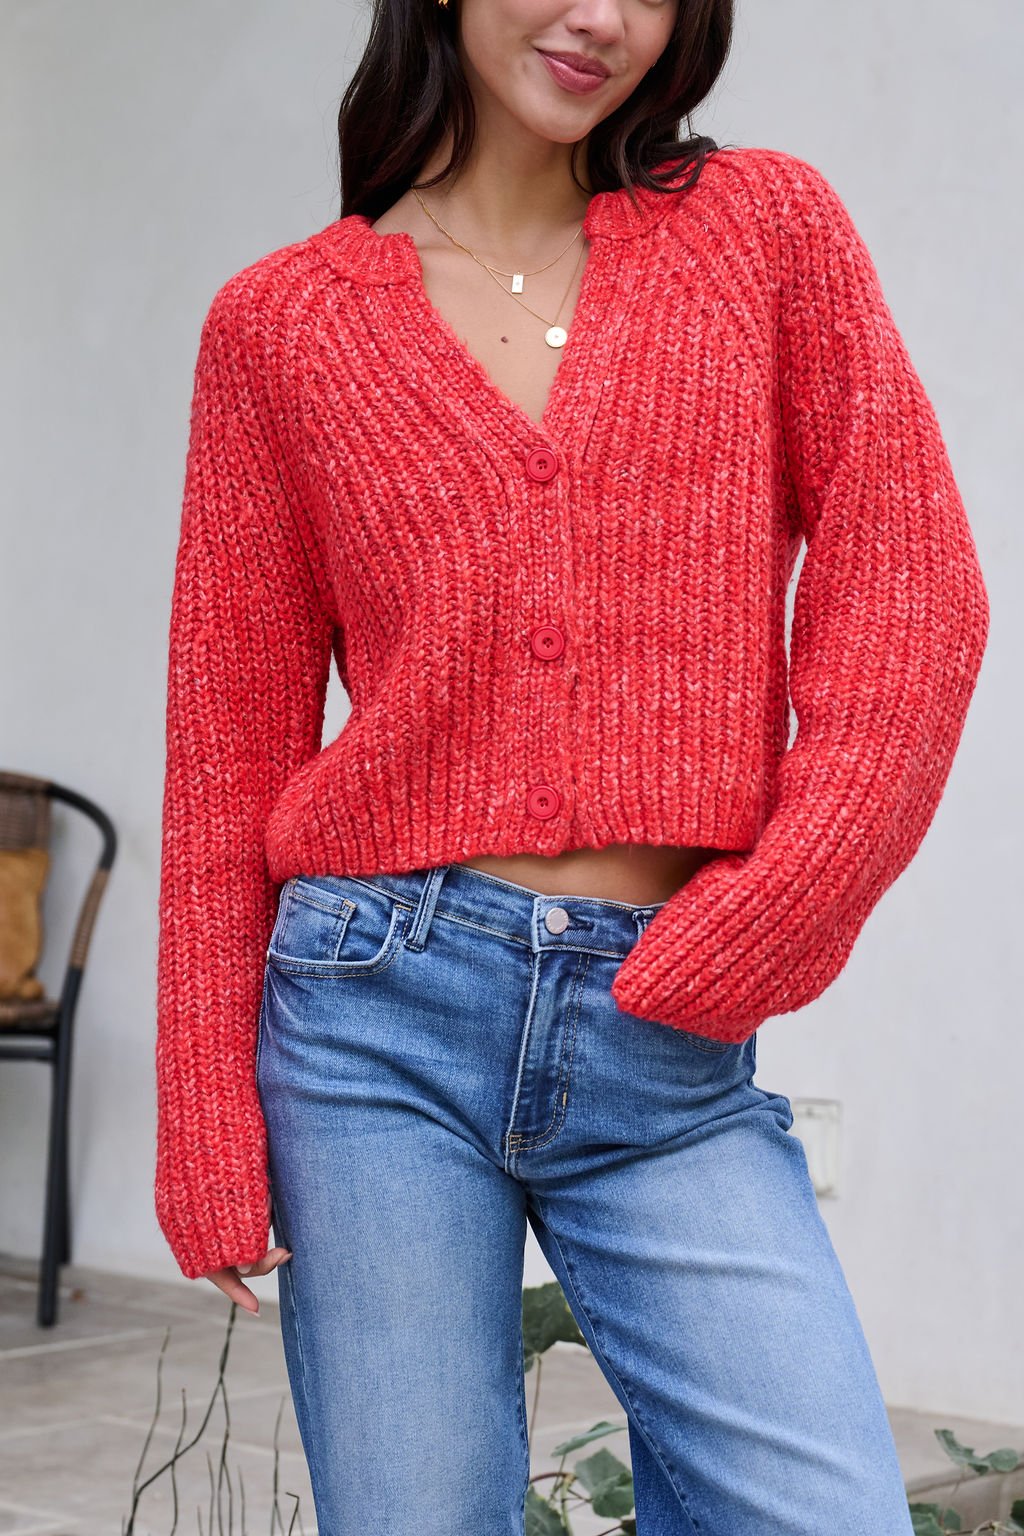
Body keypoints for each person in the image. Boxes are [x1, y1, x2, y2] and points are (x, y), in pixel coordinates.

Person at [154, 0, 989, 1529]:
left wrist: (777, 902)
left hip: (662, 1029)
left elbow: (912, 584)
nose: (603, 16)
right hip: (373, 1019)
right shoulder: (279, 326)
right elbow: (227, 751)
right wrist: (207, 1116)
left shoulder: (761, 229)